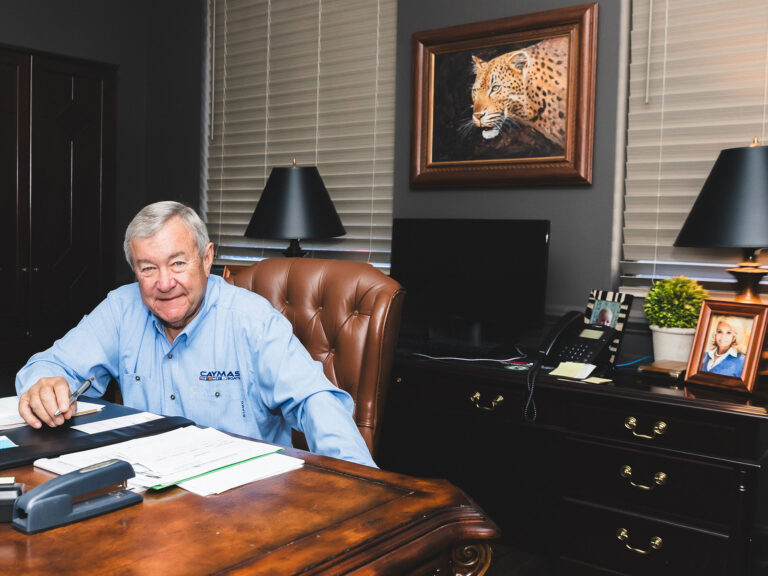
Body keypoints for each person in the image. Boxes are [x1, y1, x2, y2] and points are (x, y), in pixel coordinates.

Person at [15, 201, 376, 467]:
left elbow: (315, 400)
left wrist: (363, 484)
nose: (165, 283)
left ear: (207, 259)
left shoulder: (251, 320)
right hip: (148, 493)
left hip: (244, 500)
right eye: (148, 268)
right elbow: (47, 365)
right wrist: (45, 385)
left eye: (177, 263)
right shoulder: (121, 309)